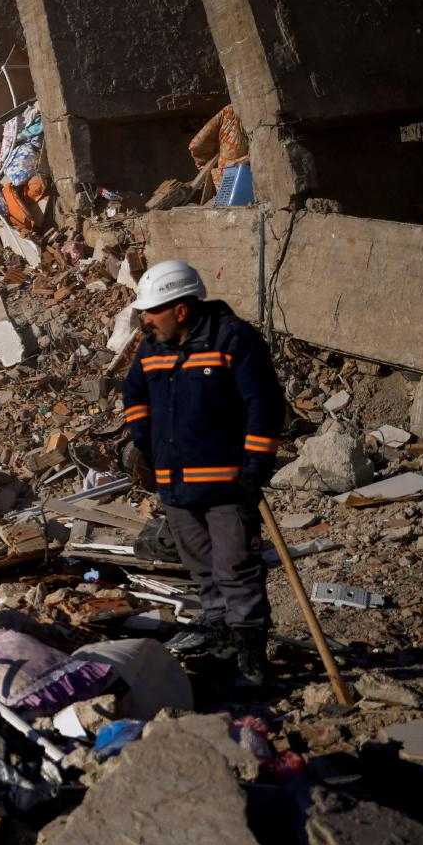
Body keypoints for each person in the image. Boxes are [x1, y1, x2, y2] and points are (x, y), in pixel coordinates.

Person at [121, 259, 285, 688]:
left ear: (181, 310)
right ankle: (223, 646)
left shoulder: (233, 340)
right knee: (204, 572)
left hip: (228, 485)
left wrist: (255, 468)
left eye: (153, 310)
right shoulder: (153, 348)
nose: (144, 318)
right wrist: (145, 442)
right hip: (176, 489)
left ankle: (252, 661)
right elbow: (134, 392)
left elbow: (264, 407)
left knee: (236, 570)